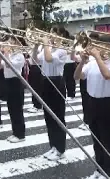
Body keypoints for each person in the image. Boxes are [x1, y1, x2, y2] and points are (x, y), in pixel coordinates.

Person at [73, 35, 110, 179]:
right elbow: (77, 76)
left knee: (108, 141)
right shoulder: (92, 62)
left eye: (104, 46)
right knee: (96, 139)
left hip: (108, 104)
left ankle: (107, 172)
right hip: (92, 103)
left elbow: (107, 75)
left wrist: (97, 57)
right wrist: (82, 62)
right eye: (98, 46)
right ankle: (99, 168)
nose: (99, 49)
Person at [32, 26, 68, 161]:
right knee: (48, 116)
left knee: (58, 116)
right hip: (45, 81)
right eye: (51, 33)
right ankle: (53, 146)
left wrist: (45, 43)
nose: (51, 35)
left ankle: (60, 149)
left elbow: (48, 59)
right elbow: (34, 60)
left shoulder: (62, 51)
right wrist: (36, 47)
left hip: (57, 82)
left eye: (54, 33)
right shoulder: (48, 48)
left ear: (61, 36)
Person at [0, 36, 26, 143]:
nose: (10, 44)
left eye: (12, 42)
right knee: (11, 109)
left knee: (17, 109)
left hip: (16, 82)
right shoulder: (10, 55)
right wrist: (0, 54)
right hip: (8, 82)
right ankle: (15, 132)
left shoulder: (20, 56)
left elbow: (9, 65)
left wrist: (6, 53)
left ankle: (21, 134)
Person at [27, 46, 43, 113]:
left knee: (37, 87)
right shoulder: (36, 46)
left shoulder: (43, 47)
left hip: (38, 67)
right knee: (33, 87)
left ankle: (38, 106)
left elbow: (36, 59)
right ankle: (35, 104)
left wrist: (35, 49)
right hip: (33, 67)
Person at [63, 34, 77, 101]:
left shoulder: (74, 46)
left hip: (71, 64)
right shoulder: (67, 46)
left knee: (70, 80)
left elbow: (69, 53)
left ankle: (71, 95)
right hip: (65, 64)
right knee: (66, 80)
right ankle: (69, 94)